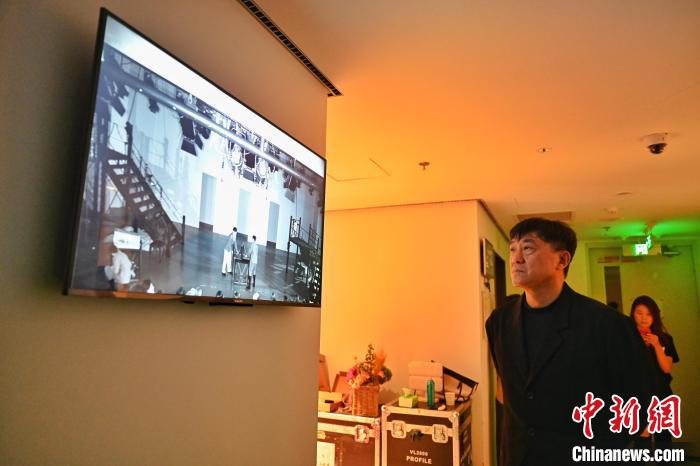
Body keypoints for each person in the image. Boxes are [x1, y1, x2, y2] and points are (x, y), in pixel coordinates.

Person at [485, 218, 653, 466]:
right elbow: (508, 393)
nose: (515, 259)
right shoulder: (499, 322)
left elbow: (638, 408)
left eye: (528, 248)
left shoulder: (607, 324)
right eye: (512, 249)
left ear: (562, 260)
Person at [630, 295, 679, 463]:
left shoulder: (665, 339)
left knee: (664, 440)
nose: (644, 318)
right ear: (633, 314)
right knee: (641, 440)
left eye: (649, 314)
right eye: (639, 313)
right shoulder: (626, 338)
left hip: (662, 393)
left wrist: (657, 345)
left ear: (655, 316)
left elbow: (666, 368)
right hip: (638, 395)